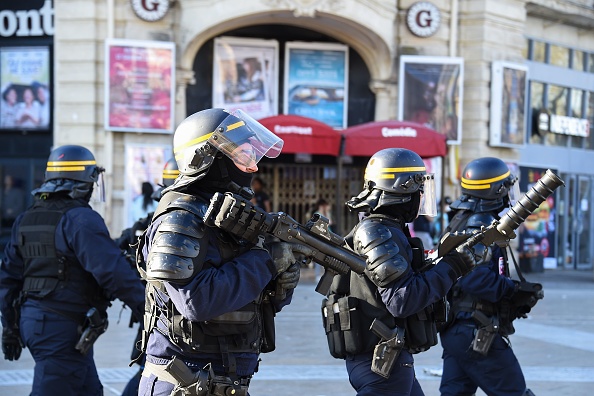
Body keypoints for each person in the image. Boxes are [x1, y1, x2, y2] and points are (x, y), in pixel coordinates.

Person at [137, 108, 313, 395]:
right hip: (185, 383)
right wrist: (266, 260)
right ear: (209, 156)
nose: (253, 167)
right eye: (243, 155)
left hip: (225, 381)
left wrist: (281, 277)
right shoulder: (181, 218)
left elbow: (253, 303)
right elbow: (196, 302)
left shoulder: (229, 219)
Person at [322, 148, 477, 396]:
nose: (421, 197)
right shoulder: (376, 231)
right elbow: (402, 299)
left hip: (389, 361)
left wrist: (442, 262)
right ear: (403, 190)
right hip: (381, 365)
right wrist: (452, 267)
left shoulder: (388, 229)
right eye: (419, 190)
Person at [0, 144, 145, 395]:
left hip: (38, 324)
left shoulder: (27, 218)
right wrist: (149, 310)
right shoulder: (80, 218)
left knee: (87, 389)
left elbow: (8, 279)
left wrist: (10, 328)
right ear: (83, 182)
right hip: (62, 328)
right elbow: (112, 271)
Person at [438, 157, 535, 396]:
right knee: (514, 391)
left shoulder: (462, 221)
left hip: (459, 330)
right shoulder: (479, 226)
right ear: (496, 190)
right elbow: (474, 278)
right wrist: (511, 290)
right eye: (506, 187)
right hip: (475, 328)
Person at [117, 157, 179, 396]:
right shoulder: (187, 228)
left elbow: (116, 253)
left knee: (148, 368)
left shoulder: (142, 226)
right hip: (170, 319)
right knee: (151, 371)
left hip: (150, 313)